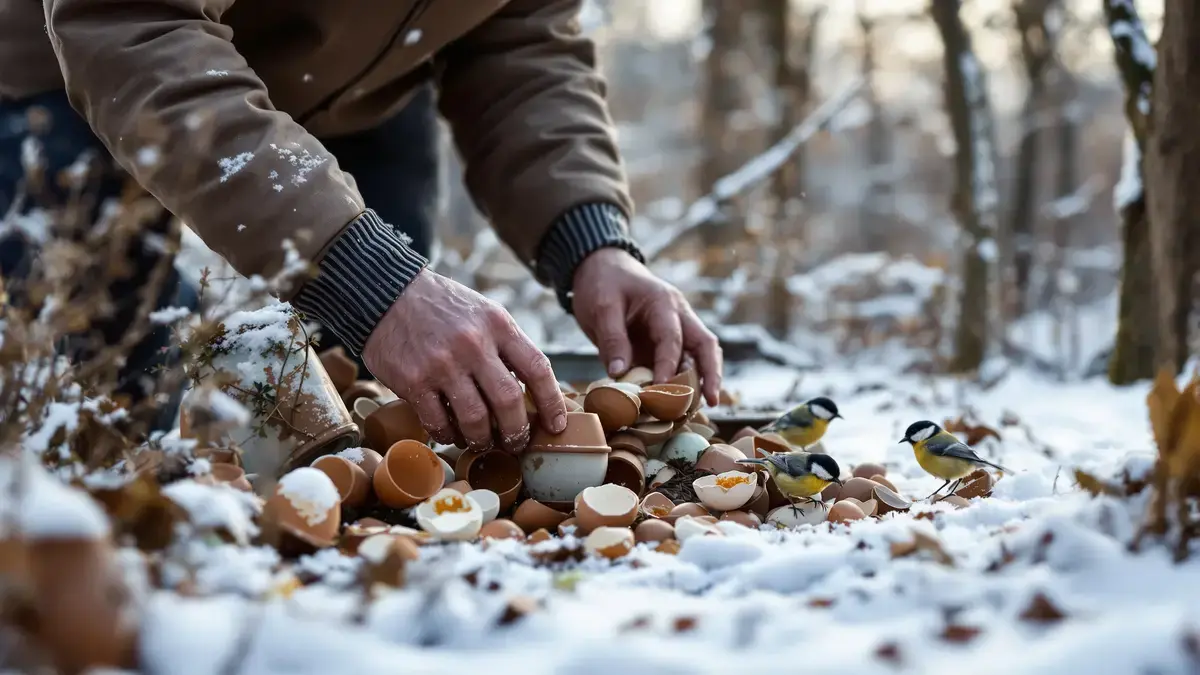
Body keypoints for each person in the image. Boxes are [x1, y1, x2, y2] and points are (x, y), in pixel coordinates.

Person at [0, 0, 723, 454]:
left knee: (371, 413)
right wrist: (368, 278)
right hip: (82, 72)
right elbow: (133, 22)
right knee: (108, 395)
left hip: (361, 93)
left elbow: (522, 44)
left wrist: (591, 242)